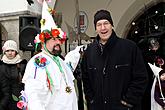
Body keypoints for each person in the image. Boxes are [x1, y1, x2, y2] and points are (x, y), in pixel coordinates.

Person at [81, 9, 148, 110]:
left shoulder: (130, 48)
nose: (103, 28)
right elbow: (86, 80)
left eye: (106, 23)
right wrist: (92, 100)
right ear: (95, 28)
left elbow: (141, 78)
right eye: (99, 24)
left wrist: (128, 102)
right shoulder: (89, 52)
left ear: (112, 25)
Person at [21, 1, 78, 110]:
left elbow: (69, 66)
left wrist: (77, 53)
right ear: (43, 43)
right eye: (53, 39)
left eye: (58, 39)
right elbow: (34, 95)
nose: (57, 42)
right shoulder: (37, 62)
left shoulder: (60, 61)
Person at [0, 40, 27, 110]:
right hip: (3, 100)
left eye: (12, 50)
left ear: (16, 52)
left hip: (18, 100)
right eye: (7, 51)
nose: (10, 53)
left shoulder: (22, 65)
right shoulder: (1, 65)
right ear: (4, 52)